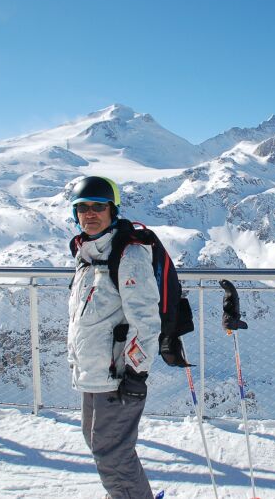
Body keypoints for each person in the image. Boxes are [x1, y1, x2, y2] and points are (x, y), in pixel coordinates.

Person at [67, 175, 159, 499]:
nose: (90, 214)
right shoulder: (86, 256)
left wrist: (136, 373)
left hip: (118, 378)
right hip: (92, 374)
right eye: (83, 208)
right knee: (100, 446)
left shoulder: (128, 256)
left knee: (113, 455)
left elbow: (146, 321)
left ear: (113, 210)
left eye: (98, 206)